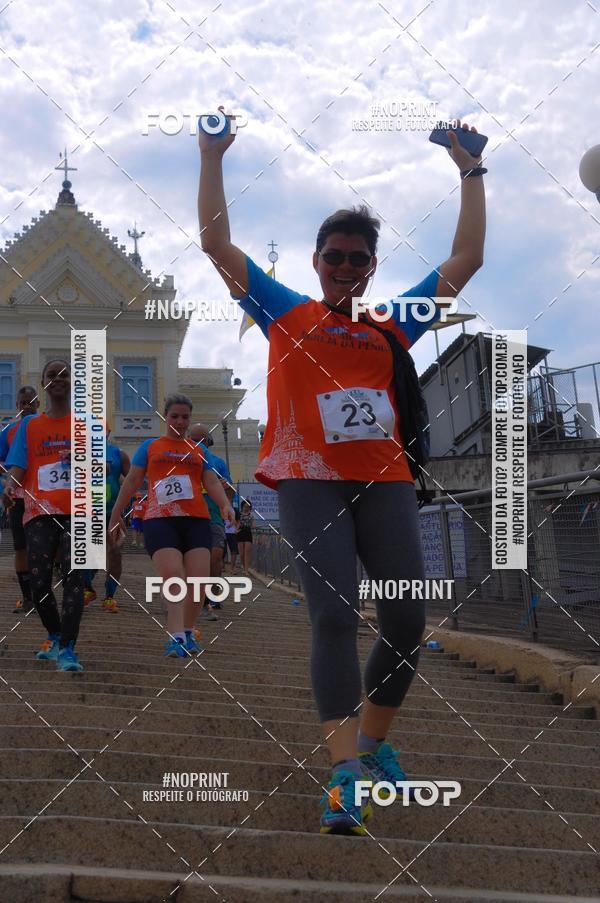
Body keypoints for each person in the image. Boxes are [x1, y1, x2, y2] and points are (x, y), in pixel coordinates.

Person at [198, 115, 485, 833]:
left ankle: (374, 742)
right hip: (307, 478)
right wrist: (210, 155)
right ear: (316, 258)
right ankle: (344, 772)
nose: (346, 267)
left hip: (384, 479)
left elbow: (468, 257)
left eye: (359, 258)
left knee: (407, 620)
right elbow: (214, 243)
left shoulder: (394, 325)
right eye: (334, 256)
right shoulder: (285, 313)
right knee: (332, 613)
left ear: (372, 266)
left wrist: (471, 172)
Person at [108, 395, 234, 657]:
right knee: (174, 575)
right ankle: (175, 636)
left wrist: (225, 505)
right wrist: (116, 513)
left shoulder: (198, 450)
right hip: (160, 520)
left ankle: (188, 632)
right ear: (166, 417)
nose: (180, 421)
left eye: (185, 417)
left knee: (199, 582)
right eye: (174, 416)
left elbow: (211, 482)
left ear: (190, 418)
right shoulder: (151, 446)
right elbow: (132, 481)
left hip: (197, 520)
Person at [3, 360, 85, 672]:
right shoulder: (30, 425)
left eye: (64, 374)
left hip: (78, 511)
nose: (58, 379)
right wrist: (10, 486)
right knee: (38, 582)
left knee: (74, 577)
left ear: (71, 382)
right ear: (44, 382)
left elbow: (98, 468)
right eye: (52, 375)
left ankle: (68, 647)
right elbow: (19, 464)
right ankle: (54, 634)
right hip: (38, 511)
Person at [0, 385, 40, 614]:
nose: (26, 406)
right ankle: (28, 598)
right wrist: (7, 474)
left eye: (31, 402)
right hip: (18, 498)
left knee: (47, 547)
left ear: (38, 404)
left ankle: (45, 590)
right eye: (22, 402)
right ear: (17, 405)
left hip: (45, 499)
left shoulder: (46, 427)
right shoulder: (8, 432)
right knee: (21, 548)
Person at [84, 426, 131, 612]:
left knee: (115, 551)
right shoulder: (77, 452)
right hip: (85, 510)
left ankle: (109, 596)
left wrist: (123, 509)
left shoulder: (119, 454)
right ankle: (87, 589)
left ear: (107, 432)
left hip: (112, 511)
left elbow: (132, 481)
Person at [188, 423, 232, 619]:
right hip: (189, 516)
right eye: (193, 440)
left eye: (201, 441)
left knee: (215, 556)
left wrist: (225, 487)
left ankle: (211, 593)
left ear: (209, 442)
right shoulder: (183, 460)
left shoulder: (219, 463)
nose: (197, 444)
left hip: (214, 516)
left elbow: (230, 492)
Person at [223, 485, 239, 573]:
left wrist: (235, 527)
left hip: (232, 532)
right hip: (224, 531)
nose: (230, 495)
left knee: (234, 550)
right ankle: (222, 566)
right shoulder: (221, 505)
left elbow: (237, 520)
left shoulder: (234, 508)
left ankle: (232, 568)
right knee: (222, 550)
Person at [237, 500, 253, 573]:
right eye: (245, 507)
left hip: (248, 533)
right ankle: (244, 567)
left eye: (248, 507)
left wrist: (260, 526)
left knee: (247, 552)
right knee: (242, 554)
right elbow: (236, 524)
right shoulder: (238, 514)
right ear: (242, 507)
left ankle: (246, 570)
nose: (246, 508)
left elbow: (252, 525)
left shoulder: (251, 515)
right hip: (240, 533)